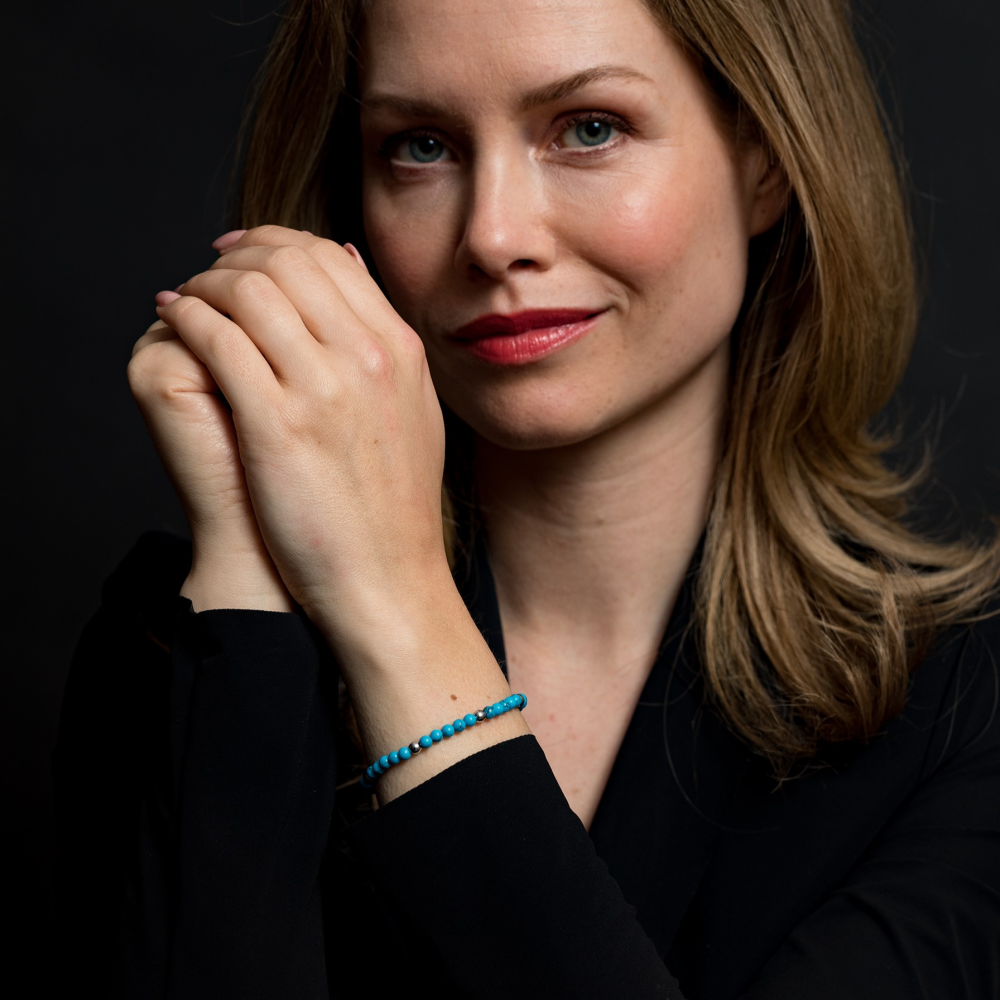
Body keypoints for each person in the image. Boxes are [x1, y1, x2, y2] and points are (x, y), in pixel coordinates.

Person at [55, 0, 1000, 996]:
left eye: (589, 128)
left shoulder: (966, 708)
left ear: (764, 158)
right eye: (420, 146)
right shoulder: (185, 641)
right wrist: (253, 563)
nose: (493, 236)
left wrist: (397, 606)